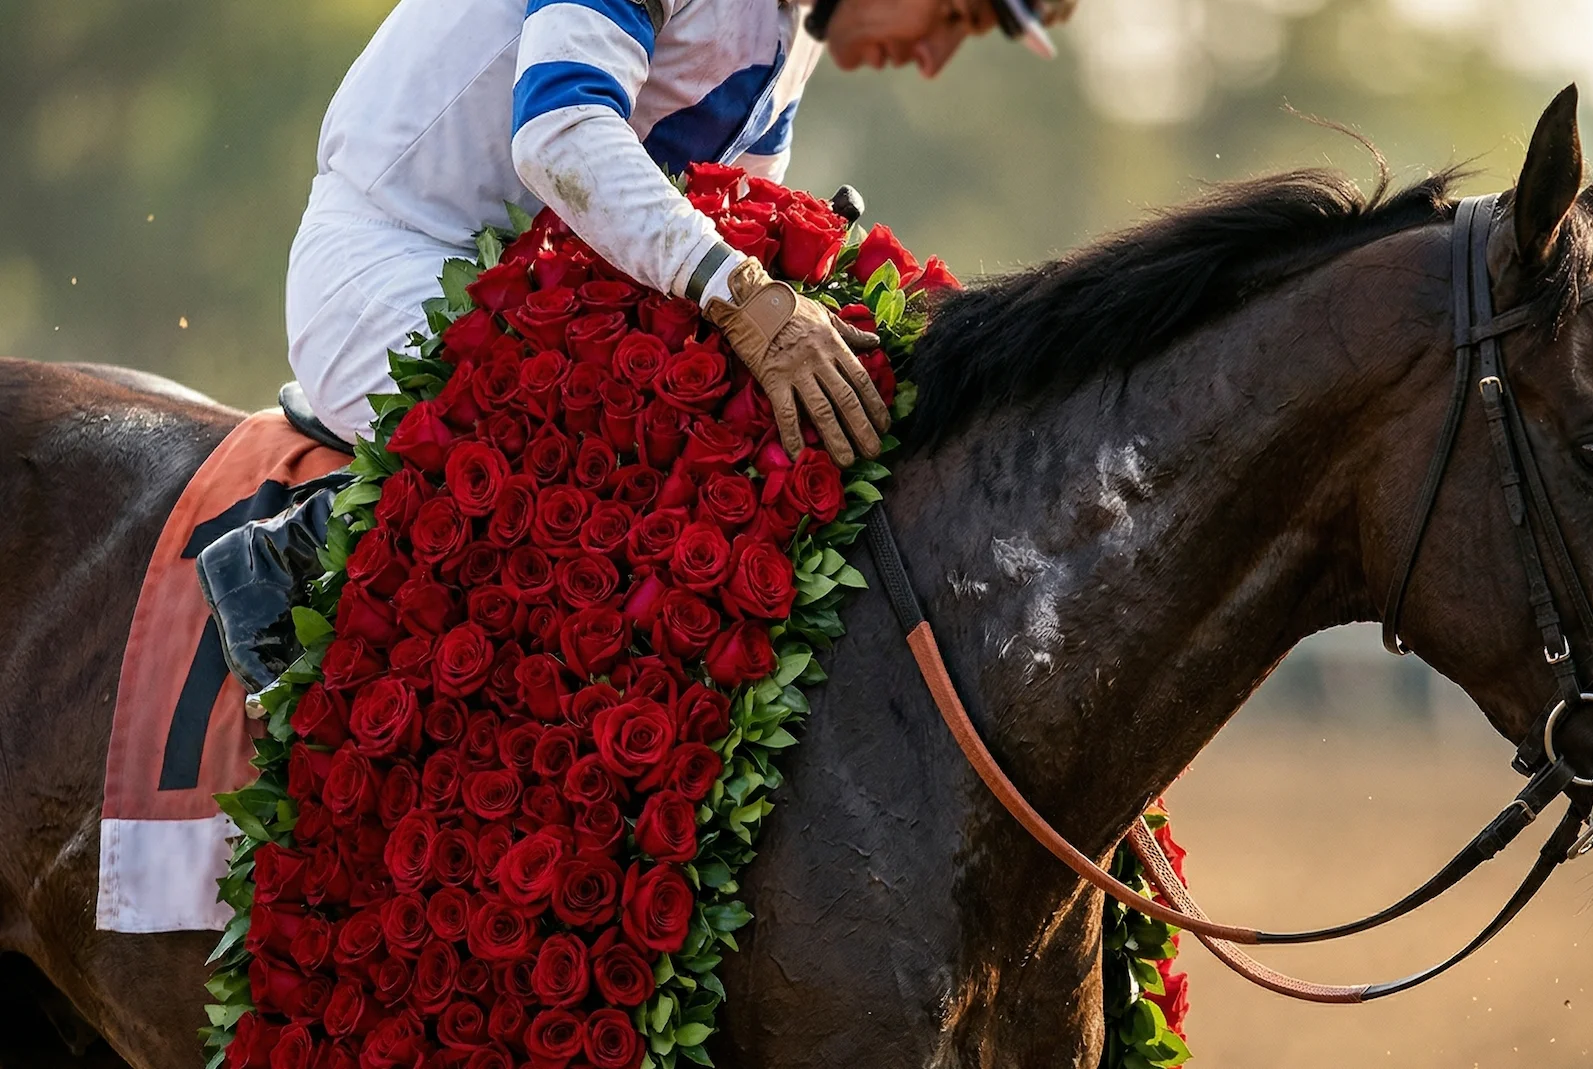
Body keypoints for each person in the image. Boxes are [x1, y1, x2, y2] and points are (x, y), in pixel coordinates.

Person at [197, 0, 1077, 695]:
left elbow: (712, 214)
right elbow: (560, 129)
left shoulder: (789, 32)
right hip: (392, 262)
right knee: (619, 416)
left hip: (538, 287)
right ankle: (296, 556)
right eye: (955, 17)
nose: (930, 58)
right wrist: (747, 297)